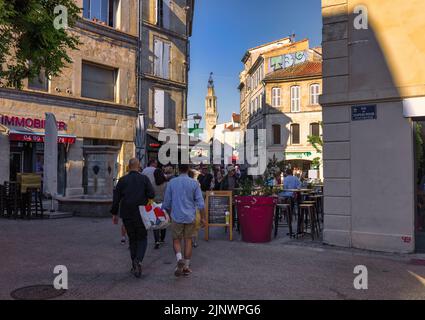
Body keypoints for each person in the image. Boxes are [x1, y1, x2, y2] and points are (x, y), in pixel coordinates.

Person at [111, 158, 155, 278]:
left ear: (128, 166)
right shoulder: (144, 179)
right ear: (138, 166)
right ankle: (138, 260)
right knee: (142, 238)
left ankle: (133, 262)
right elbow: (152, 194)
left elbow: (116, 198)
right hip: (141, 213)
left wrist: (114, 214)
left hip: (127, 213)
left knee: (132, 238)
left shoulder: (123, 180)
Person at [162, 164, 206, 277]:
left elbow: (166, 202)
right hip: (190, 216)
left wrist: (168, 213)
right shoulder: (194, 183)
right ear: (188, 170)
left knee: (176, 240)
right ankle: (186, 266)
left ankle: (179, 258)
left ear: (178, 170)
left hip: (176, 216)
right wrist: (203, 218)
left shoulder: (172, 182)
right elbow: (201, 204)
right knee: (188, 240)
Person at [152, 167, 168, 249]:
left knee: (155, 223)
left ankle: (156, 241)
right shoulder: (165, 183)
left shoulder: (152, 183)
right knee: (163, 222)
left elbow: (151, 194)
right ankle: (162, 239)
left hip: (154, 205)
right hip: (163, 204)